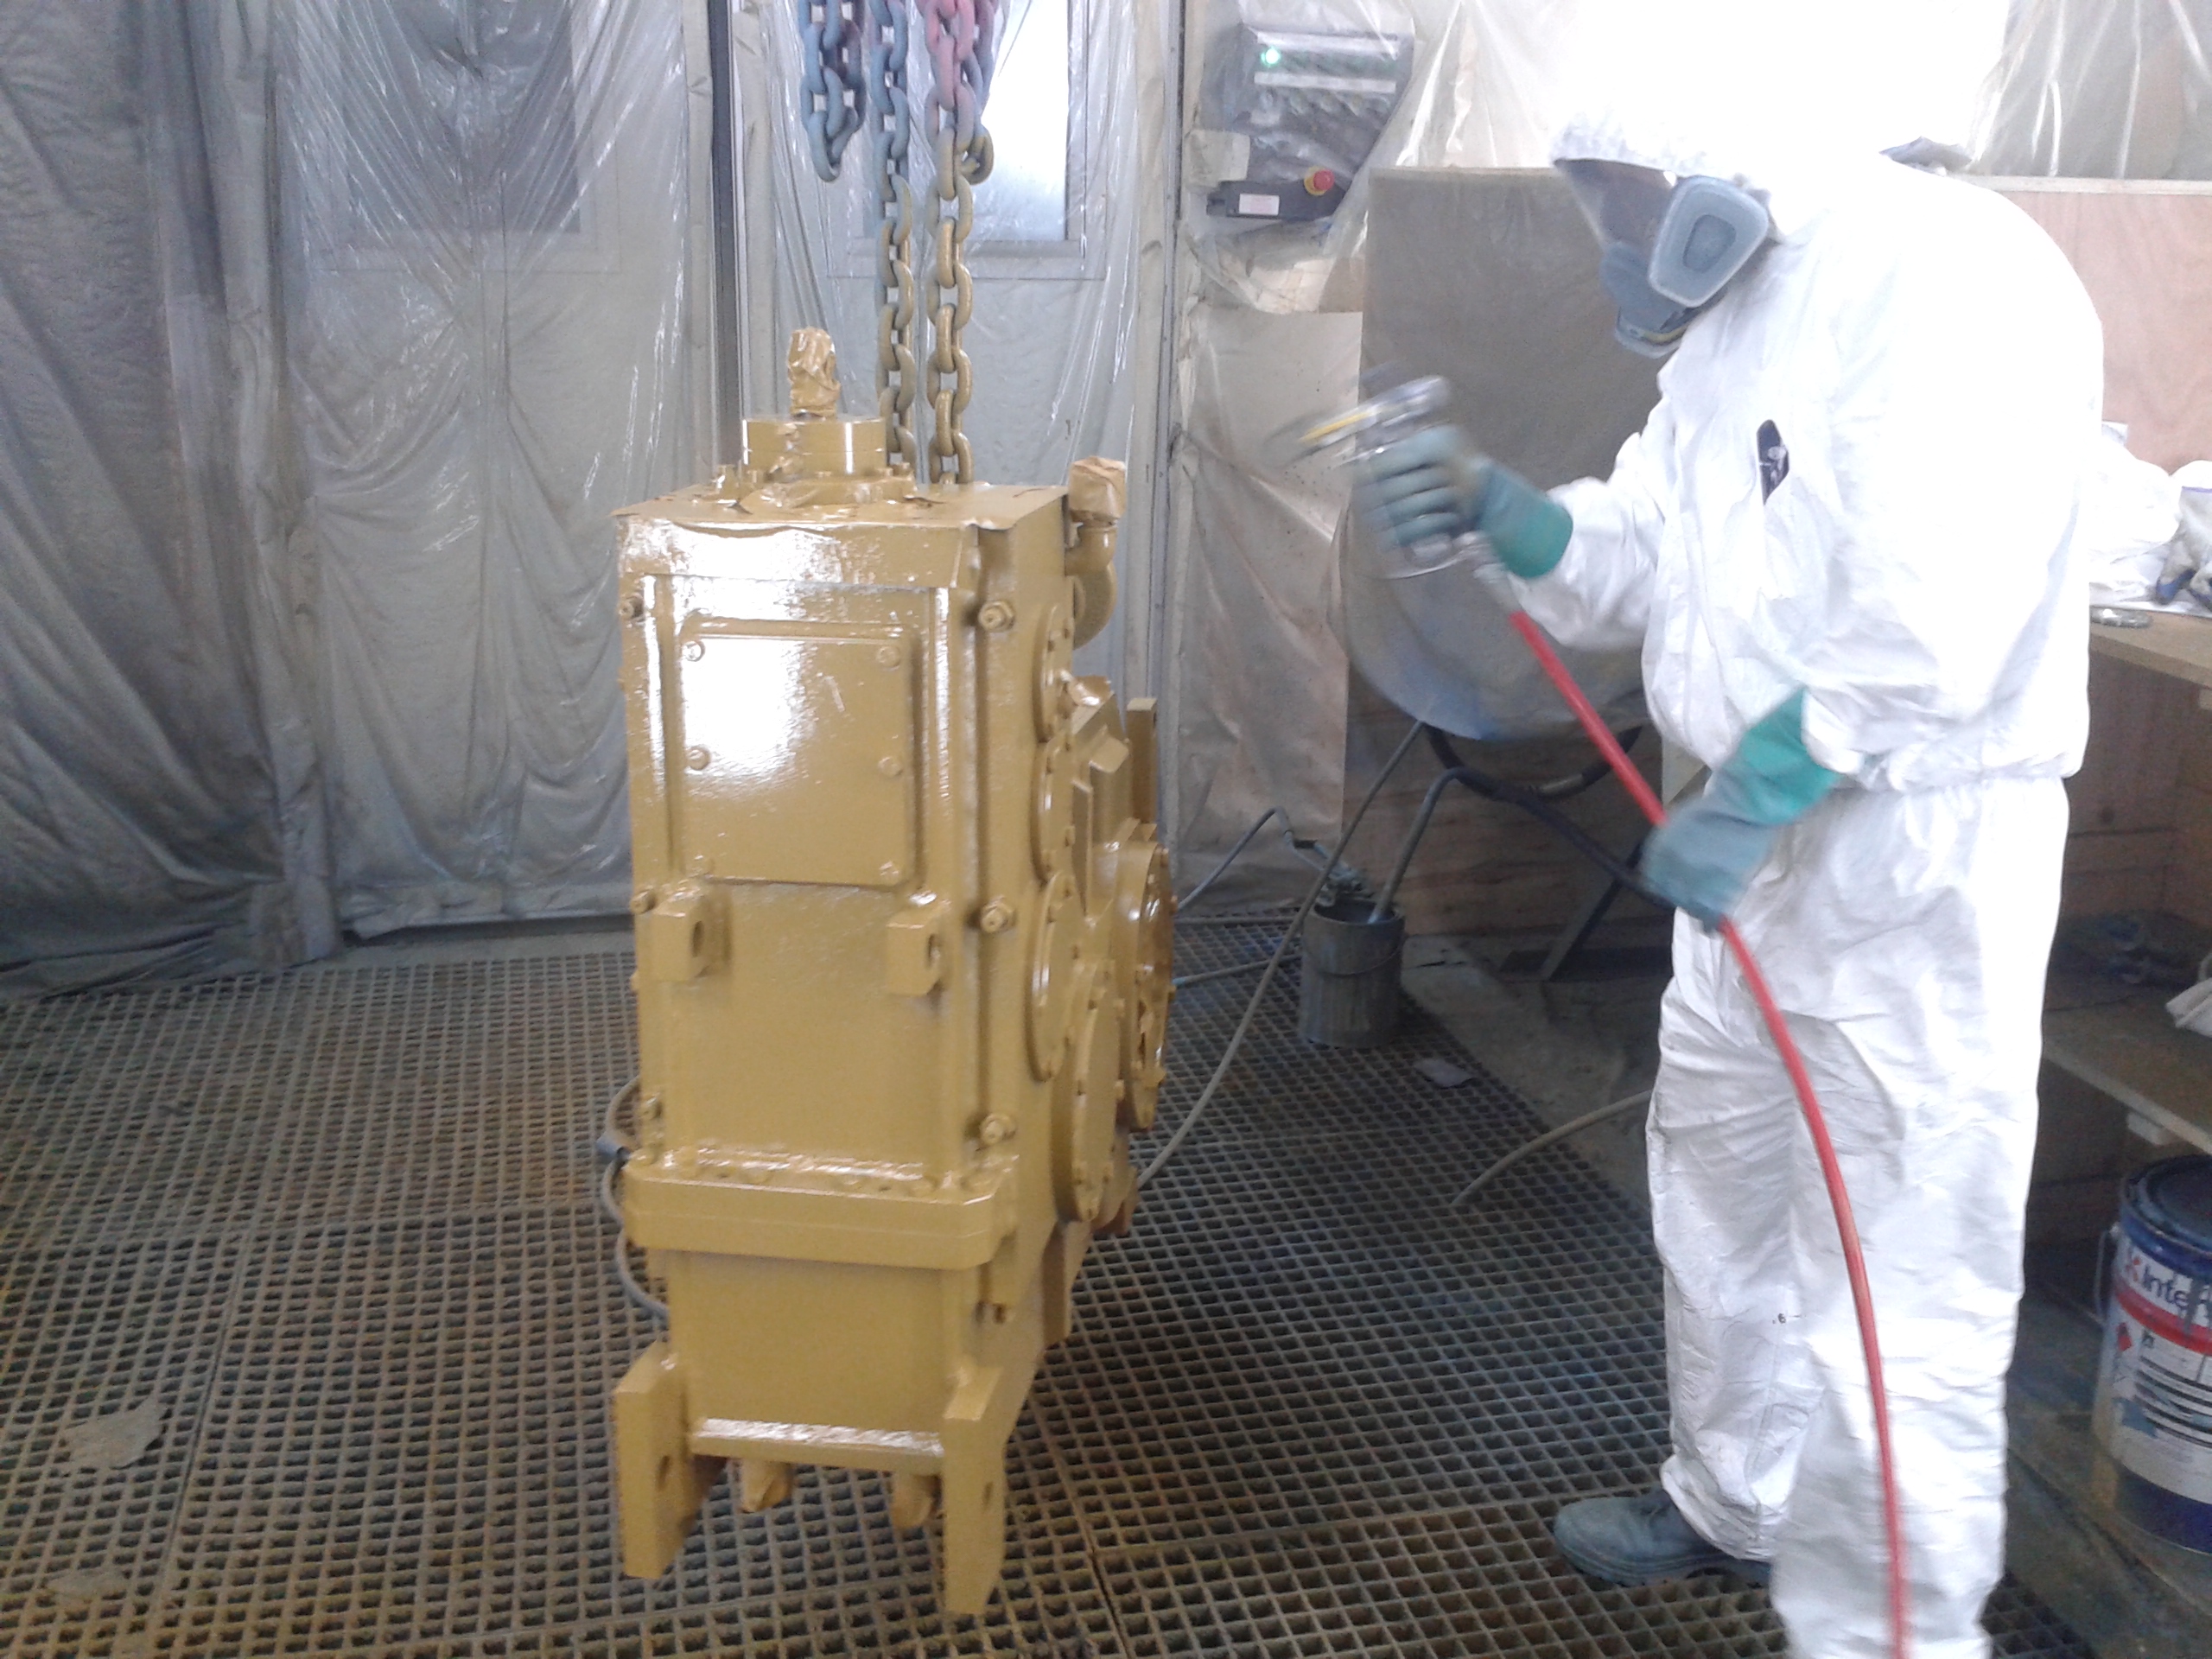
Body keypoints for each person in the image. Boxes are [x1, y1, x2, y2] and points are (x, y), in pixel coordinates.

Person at [1355, 96, 2106, 1659]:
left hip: (1909, 864)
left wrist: (1759, 791)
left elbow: (1933, 624)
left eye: (1623, 204)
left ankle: (1888, 1623)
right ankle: (1732, 1500)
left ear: (1719, 166)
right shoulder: (1737, 316)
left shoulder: (1948, 280)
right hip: (1758, 850)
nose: (1616, 245)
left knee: (1900, 1267)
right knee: (1722, 1192)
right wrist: (1511, 511)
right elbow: (1649, 547)